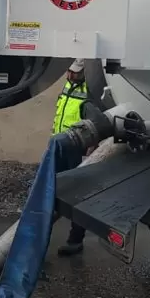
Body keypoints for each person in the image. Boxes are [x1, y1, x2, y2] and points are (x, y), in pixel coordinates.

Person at [52, 59, 91, 257]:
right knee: (52, 191)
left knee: (77, 196)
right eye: (68, 71)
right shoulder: (68, 84)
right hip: (60, 145)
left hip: (78, 149)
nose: (70, 75)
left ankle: (76, 240)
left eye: (74, 72)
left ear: (85, 72)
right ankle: (41, 235)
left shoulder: (90, 89)